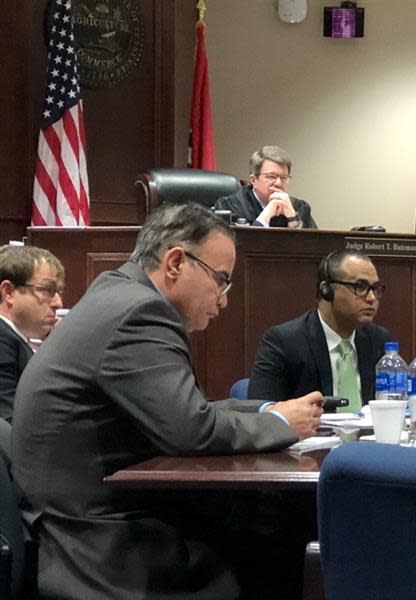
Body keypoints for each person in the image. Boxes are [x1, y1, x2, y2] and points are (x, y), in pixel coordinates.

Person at [11, 203, 323, 600]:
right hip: (108, 546)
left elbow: (185, 410)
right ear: (176, 262)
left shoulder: (117, 293)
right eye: (221, 280)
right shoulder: (140, 314)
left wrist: (266, 410)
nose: (224, 300)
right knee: (282, 541)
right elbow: (191, 430)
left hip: (80, 524)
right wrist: (282, 426)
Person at [249, 250, 390, 411]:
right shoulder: (284, 342)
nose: (371, 298)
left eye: (376, 288)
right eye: (360, 287)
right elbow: (260, 414)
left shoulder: (378, 340)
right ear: (326, 290)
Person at [0, 245, 64, 422]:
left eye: (58, 292)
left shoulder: (13, 339)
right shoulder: (2, 343)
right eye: (46, 290)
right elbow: (10, 423)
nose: (58, 303)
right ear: (9, 292)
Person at [214, 145, 317, 229]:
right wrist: (266, 215)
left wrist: (293, 218)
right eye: (271, 177)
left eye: (284, 178)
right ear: (253, 180)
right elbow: (239, 247)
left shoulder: (299, 207)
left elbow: (315, 248)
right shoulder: (231, 206)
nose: (278, 183)